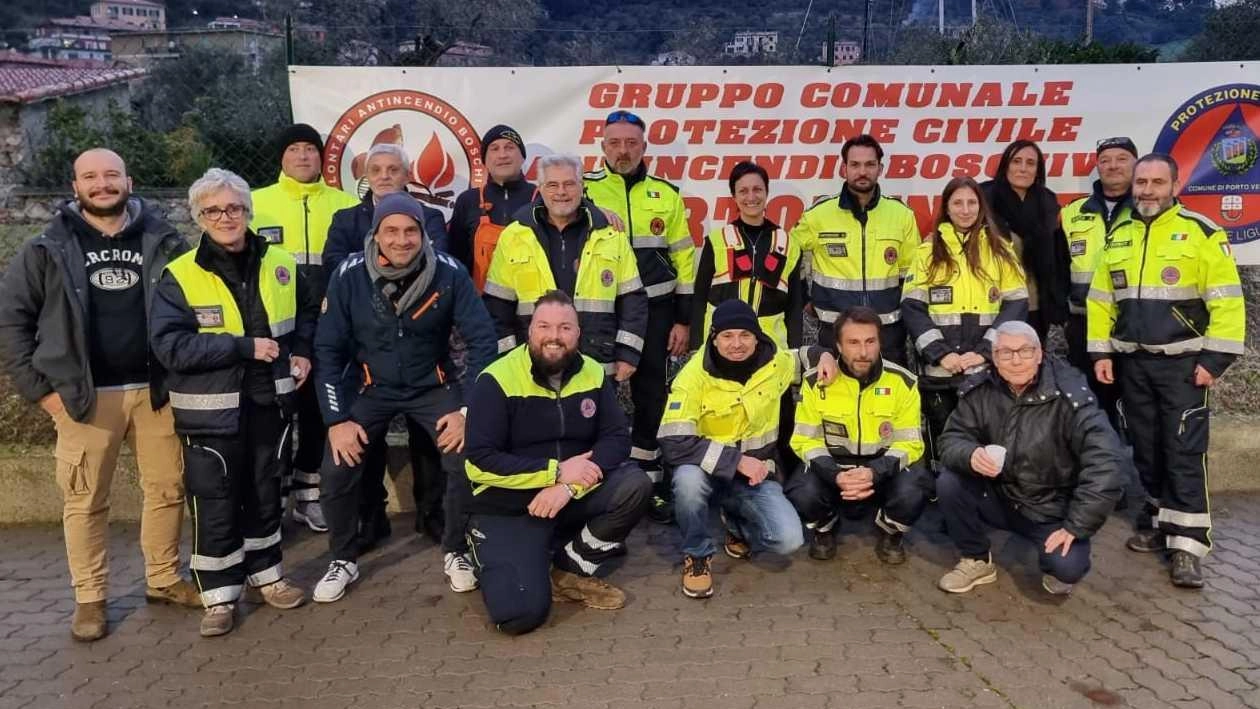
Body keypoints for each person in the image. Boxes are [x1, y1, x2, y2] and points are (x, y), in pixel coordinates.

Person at [0, 148, 199, 641]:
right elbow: (12, 322)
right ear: (75, 187)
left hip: (155, 392)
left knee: (168, 490)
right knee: (85, 500)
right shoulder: (46, 247)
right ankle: (89, 598)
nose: (102, 184)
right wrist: (42, 393)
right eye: (91, 177)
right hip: (84, 398)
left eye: (111, 175)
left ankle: (164, 578)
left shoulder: (164, 240)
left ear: (128, 181)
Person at [150, 168, 316, 636]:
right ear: (198, 217)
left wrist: (302, 351)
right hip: (210, 414)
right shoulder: (179, 275)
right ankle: (219, 597)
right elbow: (170, 348)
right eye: (213, 210)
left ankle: (269, 576)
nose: (226, 217)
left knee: (266, 493)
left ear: (248, 211)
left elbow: (307, 312)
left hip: (270, 402)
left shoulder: (281, 263)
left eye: (234, 208)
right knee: (216, 503)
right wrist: (241, 346)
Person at [311, 193, 498, 601]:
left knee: (465, 456)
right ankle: (342, 558)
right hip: (368, 386)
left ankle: (456, 549)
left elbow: (483, 341)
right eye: (391, 230)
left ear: (423, 234)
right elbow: (326, 350)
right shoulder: (348, 274)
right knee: (336, 468)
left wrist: (467, 408)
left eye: (411, 230)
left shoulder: (449, 273)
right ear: (375, 234)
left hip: (431, 385)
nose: (401, 240)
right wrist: (336, 420)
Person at [1087, 153, 1245, 588]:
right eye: (1142, 182)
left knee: (1183, 453)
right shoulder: (1119, 235)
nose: (1148, 190)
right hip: (1133, 364)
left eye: (1158, 182)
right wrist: (1101, 353)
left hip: (1183, 366)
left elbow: (1228, 303)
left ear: (1175, 186)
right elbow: (1100, 301)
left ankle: (1187, 547)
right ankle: (1159, 521)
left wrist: (1213, 362)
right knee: (1146, 447)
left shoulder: (1201, 233)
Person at [464, 291, 651, 635]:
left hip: (568, 494)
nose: (554, 336)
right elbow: (479, 462)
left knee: (635, 485)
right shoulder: (495, 380)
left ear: (578, 334)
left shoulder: (593, 372)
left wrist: (567, 486)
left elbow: (616, 439)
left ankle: (567, 571)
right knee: (519, 617)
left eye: (565, 328)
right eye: (544, 326)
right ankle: (487, 544)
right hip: (511, 505)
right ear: (529, 331)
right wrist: (556, 472)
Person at [659, 300, 837, 599]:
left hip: (754, 477)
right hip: (706, 472)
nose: (737, 344)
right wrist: (736, 460)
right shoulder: (692, 377)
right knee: (686, 481)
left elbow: (802, 356)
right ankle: (698, 555)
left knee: (789, 540)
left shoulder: (774, 363)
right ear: (713, 338)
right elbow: (672, 441)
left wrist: (825, 355)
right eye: (727, 336)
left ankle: (737, 523)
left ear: (757, 337)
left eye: (745, 335)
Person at [935, 321, 1126, 595]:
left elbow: (1107, 462)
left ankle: (1056, 550)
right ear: (994, 357)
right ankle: (975, 558)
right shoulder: (981, 389)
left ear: (1039, 354)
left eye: (1024, 351)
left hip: (1049, 508)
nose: (1015, 360)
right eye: (1005, 353)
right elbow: (951, 439)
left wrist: (1076, 525)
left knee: (1067, 569)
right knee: (950, 481)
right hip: (999, 497)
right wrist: (970, 454)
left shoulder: (1071, 396)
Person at [324, 142, 451, 553]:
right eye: (375, 168)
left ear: (406, 174)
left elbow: (435, 263)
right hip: (366, 348)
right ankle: (371, 518)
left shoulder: (430, 217)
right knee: (366, 440)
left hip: (422, 344)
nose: (383, 175)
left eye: (392, 168)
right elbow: (336, 266)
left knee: (430, 441)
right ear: (366, 174)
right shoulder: (346, 218)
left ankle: (432, 515)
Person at [584, 110, 695, 521]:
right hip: (601, 312)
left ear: (644, 147)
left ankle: (650, 479)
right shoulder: (584, 190)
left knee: (653, 394)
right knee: (597, 394)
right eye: (614, 142)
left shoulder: (666, 194)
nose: (623, 151)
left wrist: (683, 320)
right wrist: (594, 214)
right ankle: (601, 478)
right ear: (603, 146)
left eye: (631, 143)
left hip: (657, 311)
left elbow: (684, 258)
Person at [251, 123, 360, 533]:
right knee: (276, 416)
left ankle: (309, 496)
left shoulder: (345, 203)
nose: (303, 157)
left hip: (330, 327)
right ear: (281, 157)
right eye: (294, 149)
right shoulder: (256, 204)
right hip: (274, 330)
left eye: (310, 150)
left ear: (322, 157)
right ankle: (271, 502)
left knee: (318, 414)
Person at [785, 306, 933, 565]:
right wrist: (836, 474)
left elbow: (910, 443)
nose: (863, 352)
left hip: (882, 471)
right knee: (801, 490)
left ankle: (890, 531)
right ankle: (825, 527)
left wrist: (874, 472)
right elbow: (805, 440)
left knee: (917, 486)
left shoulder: (903, 382)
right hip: (833, 469)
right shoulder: (815, 382)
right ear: (839, 347)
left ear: (879, 343)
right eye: (853, 342)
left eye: (870, 342)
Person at [902, 176, 1028, 467]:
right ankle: (944, 497)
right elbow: (912, 308)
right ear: (946, 207)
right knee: (944, 442)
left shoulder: (1001, 250)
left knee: (987, 441)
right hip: (940, 371)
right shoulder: (926, 252)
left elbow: (1017, 305)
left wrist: (984, 351)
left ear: (981, 206)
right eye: (957, 202)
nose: (965, 209)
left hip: (985, 369)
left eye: (972, 202)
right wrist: (941, 354)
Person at [484, 154, 648, 377]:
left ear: (582, 186)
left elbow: (633, 299)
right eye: (552, 185)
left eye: (569, 184)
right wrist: (507, 359)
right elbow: (497, 305)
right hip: (533, 363)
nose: (561, 192)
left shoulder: (610, 235)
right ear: (540, 188)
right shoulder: (514, 235)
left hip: (596, 362)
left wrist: (627, 354)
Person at [692, 161, 806, 473]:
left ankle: (782, 476)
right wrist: (696, 346)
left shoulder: (787, 243)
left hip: (772, 346)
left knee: (778, 415)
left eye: (757, 189)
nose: (751, 196)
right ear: (733, 196)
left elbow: (796, 305)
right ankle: (724, 472)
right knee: (724, 412)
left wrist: (795, 351)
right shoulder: (718, 239)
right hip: (726, 344)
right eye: (743, 190)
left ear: (767, 194)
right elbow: (700, 296)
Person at [791, 134, 921, 365]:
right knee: (836, 399)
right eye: (855, 165)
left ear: (880, 168)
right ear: (844, 168)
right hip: (834, 332)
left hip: (887, 333)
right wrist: (803, 297)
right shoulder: (818, 215)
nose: (863, 171)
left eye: (870, 164)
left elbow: (912, 277)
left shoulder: (902, 215)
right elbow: (789, 257)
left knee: (888, 399)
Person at [1061, 137, 1137, 419]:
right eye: (1105, 160)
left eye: (1121, 159)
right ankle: (1098, 461)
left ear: (1135, 163)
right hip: (1084, 324)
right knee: (1091, 406)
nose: (1113, 166)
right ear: (1097, 166)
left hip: (1136, 324)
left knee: (1135, 407)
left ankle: (1133, 461)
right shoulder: (1071, 213)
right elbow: (1058, 266)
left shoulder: (1150, 209)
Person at [980, 140, 1071, 341]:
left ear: (1038, 170)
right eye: (1016, 161)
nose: (1023, 168)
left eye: (1030, 163)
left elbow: (1059, 259)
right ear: (1005, 165)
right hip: (991, 306)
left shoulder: (1048, 203)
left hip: (1035, 306)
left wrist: (1058, 304)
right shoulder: (983, 199)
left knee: (1029, 367)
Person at [446, 125, 537, 291]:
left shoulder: (540, 198)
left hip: (530, 307)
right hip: (481, 308)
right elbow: (454, 261)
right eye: (494, 149)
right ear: (484, 160)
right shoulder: (467, 201)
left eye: (509, 147)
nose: (502, 155)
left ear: (523, 157)